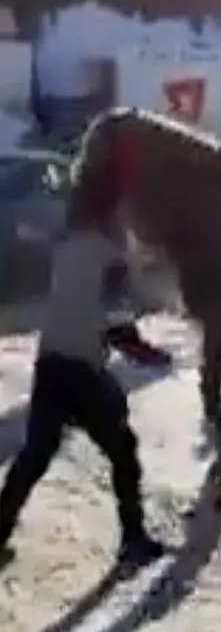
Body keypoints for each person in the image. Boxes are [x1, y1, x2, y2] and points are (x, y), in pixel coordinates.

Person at [0, 213, 164, 570]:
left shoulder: (69, 242)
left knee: (35, 454)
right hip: (83, 368)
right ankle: (133, 539)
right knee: (123, 449)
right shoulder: (115, 255)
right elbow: (117, 324)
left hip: (50, 360)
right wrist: (153, 356)